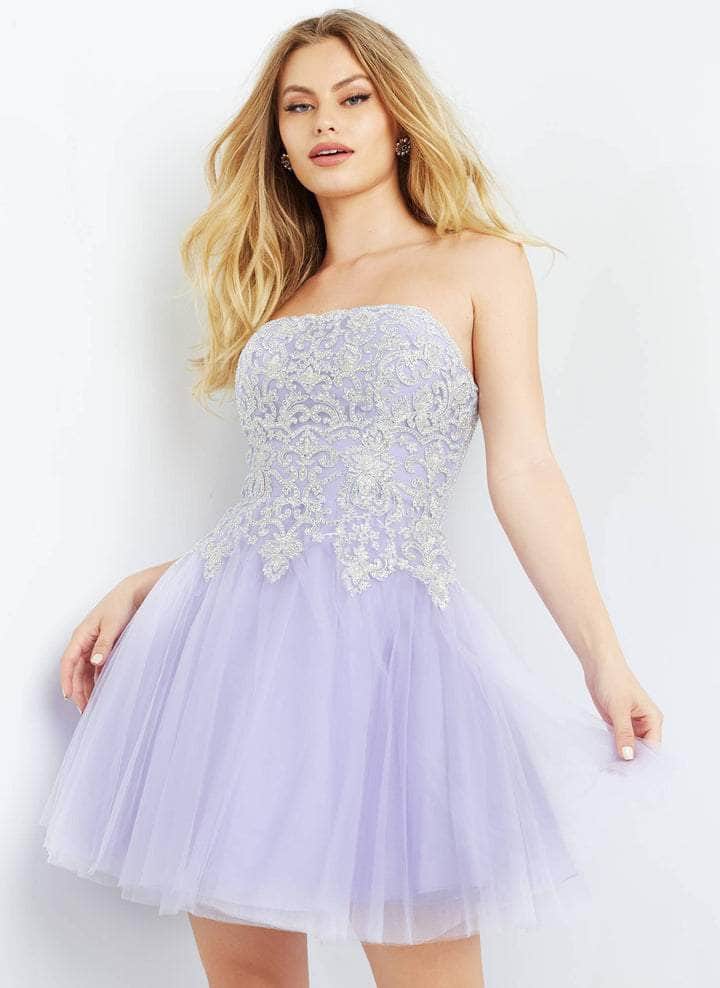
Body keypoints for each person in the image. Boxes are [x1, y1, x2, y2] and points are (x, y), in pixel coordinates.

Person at [40, 10, 673, 988]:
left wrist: (604, 658)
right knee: (250, 978)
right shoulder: (276, 293)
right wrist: (156, 582)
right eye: (298, 107)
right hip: (235, 660)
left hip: (394, 666)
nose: (324, 122)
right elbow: (290, 496)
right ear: (280, 141)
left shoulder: (479, 263)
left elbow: (524, 468)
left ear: (399, 119)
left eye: (352, 97)